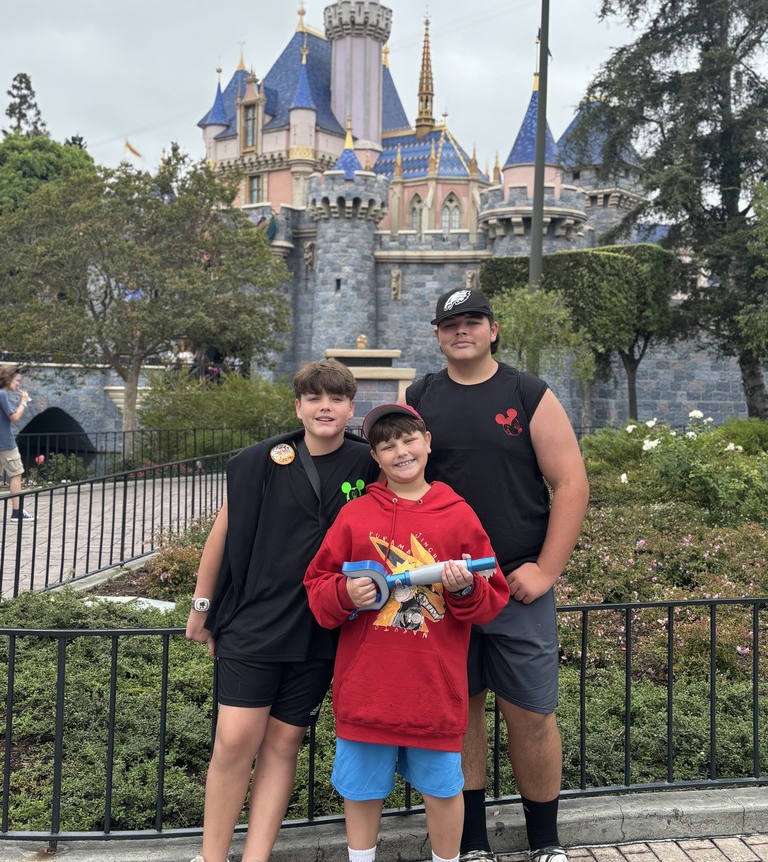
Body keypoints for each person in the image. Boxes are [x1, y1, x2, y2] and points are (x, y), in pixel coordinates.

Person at [405, 288, 590, 862]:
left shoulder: (527, 393)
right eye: (450, 323)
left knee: (532, 715)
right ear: (437, 334)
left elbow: (570, 484)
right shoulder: (419, 396)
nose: (462, 330)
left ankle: (546, 842)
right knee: (459, 714)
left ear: (493, 329)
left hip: (514, 585)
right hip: (442, 584)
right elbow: (397, 475)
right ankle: (473, 844)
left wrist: (546, 568)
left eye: (472, 320)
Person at [185, 359, 381, 862]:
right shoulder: (263, 462)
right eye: (314, 398)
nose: (325, 407)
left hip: (321, 627)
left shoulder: (367, 463)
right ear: (298, 406)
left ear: (350, 407)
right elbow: (222, 535)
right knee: (234, 741)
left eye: (336, 399)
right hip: (256, 621)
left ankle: (256, 857)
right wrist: (202, 607)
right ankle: (213, 857)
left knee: (283, 742)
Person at [304, 403, 510, 862]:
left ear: (428, 442)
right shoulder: (354, 516)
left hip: (434, 693)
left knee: (442, 789)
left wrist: (464, 589)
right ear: (374, 457)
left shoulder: (459, 515)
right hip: (367, 692)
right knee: (361, 792)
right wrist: (345, 594)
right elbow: (317, 588)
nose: (400, 451)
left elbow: (490, 600)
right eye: (387, 445)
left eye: (408, 439)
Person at [0, 365, 34, 522]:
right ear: (8, 378)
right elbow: (14, 417)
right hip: (5, 442)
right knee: (16, 473)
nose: (19, 384)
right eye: (17, 380)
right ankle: (17, 512)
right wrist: (24, 403)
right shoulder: (2, 394)